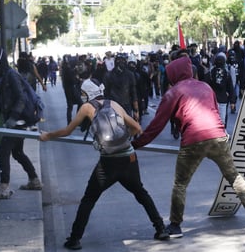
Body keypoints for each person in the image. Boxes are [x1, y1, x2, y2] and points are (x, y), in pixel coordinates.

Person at [131, 56, 245, 238]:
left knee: (180, 184)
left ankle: (175, 226)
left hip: (193, 140)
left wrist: (136, 144)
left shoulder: (173, 93)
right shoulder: (205, 86)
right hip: (218, 136)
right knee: (234, 176)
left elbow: (157, 125)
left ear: (173, 74)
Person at [39, 78, 169, 250]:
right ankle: (160, 228)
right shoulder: (115, 104)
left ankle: (75, 239)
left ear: (88, 93)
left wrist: (48, 135)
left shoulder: (86, 108)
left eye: (83, 93)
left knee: (89, 199)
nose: (82, 96)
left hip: (108, 163)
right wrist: (124, 139)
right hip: (129, 158)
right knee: (141, 193)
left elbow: (67, 131)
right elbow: (137, 128)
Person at [0, 47, 43, 199]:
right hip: (17, 121)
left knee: (2, 153)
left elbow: (21, 98)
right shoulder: (5, 75)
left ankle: (4, 187)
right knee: (17, 153)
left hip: (18, 122)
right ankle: (34, 180)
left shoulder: (11, 75)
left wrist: (13, 118)